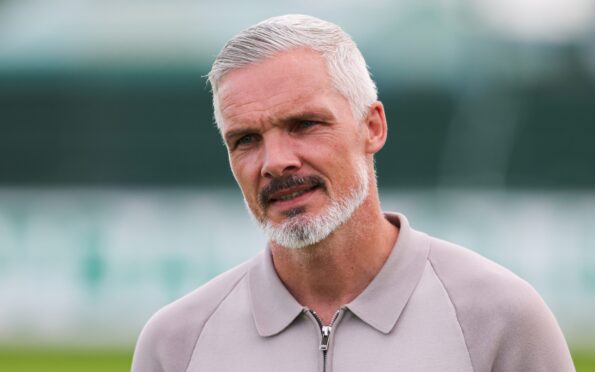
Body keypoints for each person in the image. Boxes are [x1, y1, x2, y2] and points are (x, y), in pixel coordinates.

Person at [131, 14, 575, 372]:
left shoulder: (501, 319)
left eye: (304, 125)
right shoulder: (175, 345)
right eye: (246, 139)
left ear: (372, 126)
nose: (275, 161)